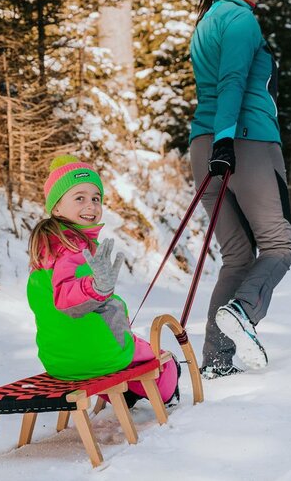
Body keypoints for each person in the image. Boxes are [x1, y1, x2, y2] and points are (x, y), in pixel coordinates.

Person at [187, 0, 291, 379]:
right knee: (278, 246)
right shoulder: (241, 19)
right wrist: (228, 142)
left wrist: (216, 145)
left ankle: (216, 360)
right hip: (244, 144)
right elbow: (232, 81)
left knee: (236, 256)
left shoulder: (206, 23)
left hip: (202, 147)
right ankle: (244, 313)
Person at [27, 155, 179, 406]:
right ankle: (166, 395)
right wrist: (96, 288)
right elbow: (64, 298)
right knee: (162, 360)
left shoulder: (44, 254)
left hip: (58, 362)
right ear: (56, 207)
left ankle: (125, 394)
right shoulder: (73, 249)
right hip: (100, 355)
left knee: (116, 357)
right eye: (80, 198)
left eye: (96, 199)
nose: (91, 205)